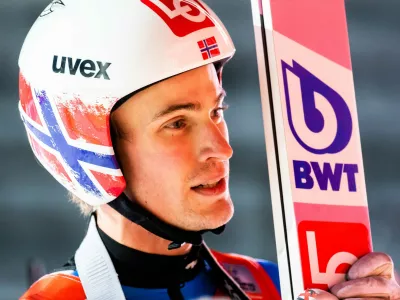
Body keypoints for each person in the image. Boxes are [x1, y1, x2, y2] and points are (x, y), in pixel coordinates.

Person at [18, 0, 399, 299]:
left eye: (217, 111)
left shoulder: (282, 286)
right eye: (177, 124)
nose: (223, 148)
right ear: (91, 149)